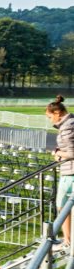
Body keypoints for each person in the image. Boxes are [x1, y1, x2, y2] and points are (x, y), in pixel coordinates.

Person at [47, 95, 74, 251]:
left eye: (50, 116)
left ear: (57, 113)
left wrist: (57, 154)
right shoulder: (71, 123)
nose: (50, 120)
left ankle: (68, 240)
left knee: (62, 206)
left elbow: (71, 152)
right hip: (70, 171)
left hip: (70, 172)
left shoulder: (67, 127)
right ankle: (69, 239)